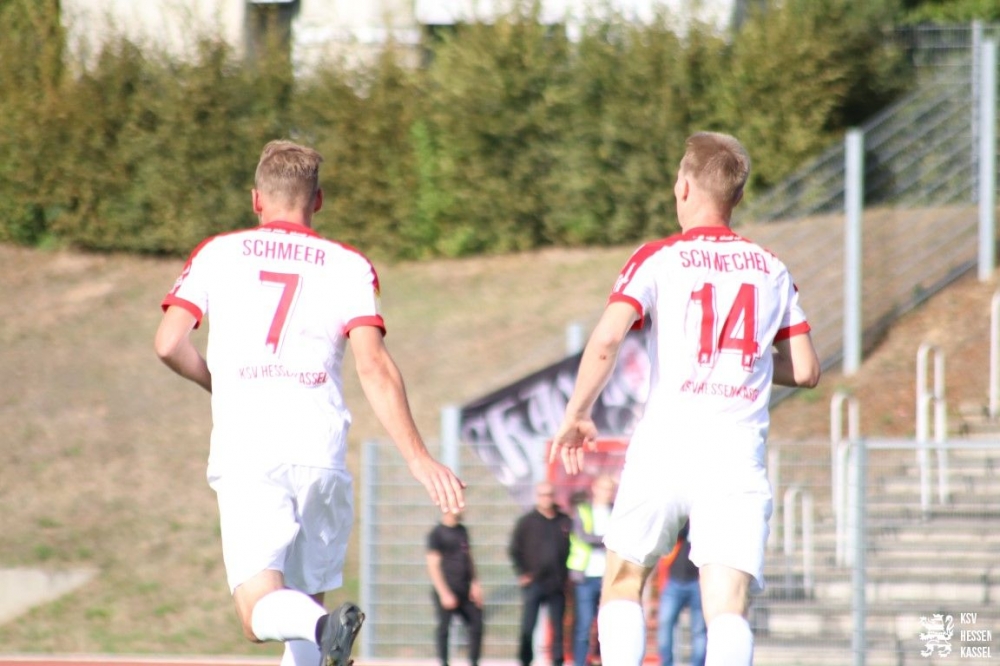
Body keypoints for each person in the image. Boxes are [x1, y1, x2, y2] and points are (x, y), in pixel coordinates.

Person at [153, 139, 465, 666]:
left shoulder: (217, 252)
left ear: (256, 199)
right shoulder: (350, 265)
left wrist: (220, 385)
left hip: (251, 448)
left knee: (260, 611)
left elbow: (168, 343)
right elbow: (374, 365)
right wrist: (419, 458)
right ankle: (321, 628)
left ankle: (323, 626)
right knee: (303, 614)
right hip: (320, 451)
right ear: (317, 201)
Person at [549, 131, 821, 666]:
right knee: (727, 606)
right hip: (734, 456)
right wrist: (743, 367)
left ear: (683, 187)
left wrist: (577, 412)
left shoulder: (658, 257)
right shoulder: (771, 267)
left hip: (666, 446)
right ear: (737, 196)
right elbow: (808, 368)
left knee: (623, 580)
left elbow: (607, 339)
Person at [509, 480, 573, 666]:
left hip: (557, 582)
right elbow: (515, 549)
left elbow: (572, 549)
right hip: (534, 582)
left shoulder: (564, 521)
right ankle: (525, 660)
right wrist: (523, 572)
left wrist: (567, 575)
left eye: (549, 495)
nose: (546, 499)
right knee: (528, 626)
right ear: (537, 497)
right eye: (543, 495)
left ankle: (557, 661)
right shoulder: (527, 522)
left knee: (558, 628)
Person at [568, 475, 616, 666]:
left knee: (609, 626)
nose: (607, 493)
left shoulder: (617, 512)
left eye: (610, 489)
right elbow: (584, 537)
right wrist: (607, 539)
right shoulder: (583, 511)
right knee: (584, 625)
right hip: (586, 577)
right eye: (604, 488)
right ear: (594, 488)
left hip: (609, 577)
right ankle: (580, 662)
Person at [426, 510, 484, 666]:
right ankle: (444, 662)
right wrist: (444, 593)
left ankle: (473, 662)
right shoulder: (437, 534)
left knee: (476, 624)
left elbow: (469, 558)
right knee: (444, 629)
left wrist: (475, 583)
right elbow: (433, 565)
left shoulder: (462, 530)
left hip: (465, 589)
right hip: (447, 589)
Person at [656, 521, 706, 666]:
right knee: (665, 624)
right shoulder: (681, 518)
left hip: (699, 581)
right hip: (674, 580)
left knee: (699, 630)